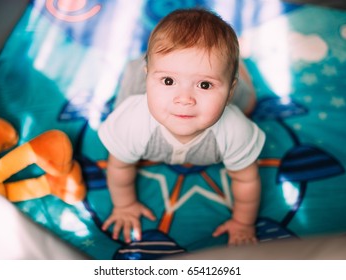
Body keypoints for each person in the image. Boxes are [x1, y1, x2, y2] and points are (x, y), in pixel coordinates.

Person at [98, 8, 265, 245]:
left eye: (204, 85)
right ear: (150, 78)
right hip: (141, 89)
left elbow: (246, 180)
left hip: (223, 93)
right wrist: (124, 205)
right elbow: (119, 167)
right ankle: (150, 70)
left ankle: (238, 68)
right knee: (131, 84)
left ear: (229, 90)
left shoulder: (235, 130)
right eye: (169, 81)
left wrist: (243, 222)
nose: (184, 98)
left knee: (248, 102)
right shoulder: (132, 122)